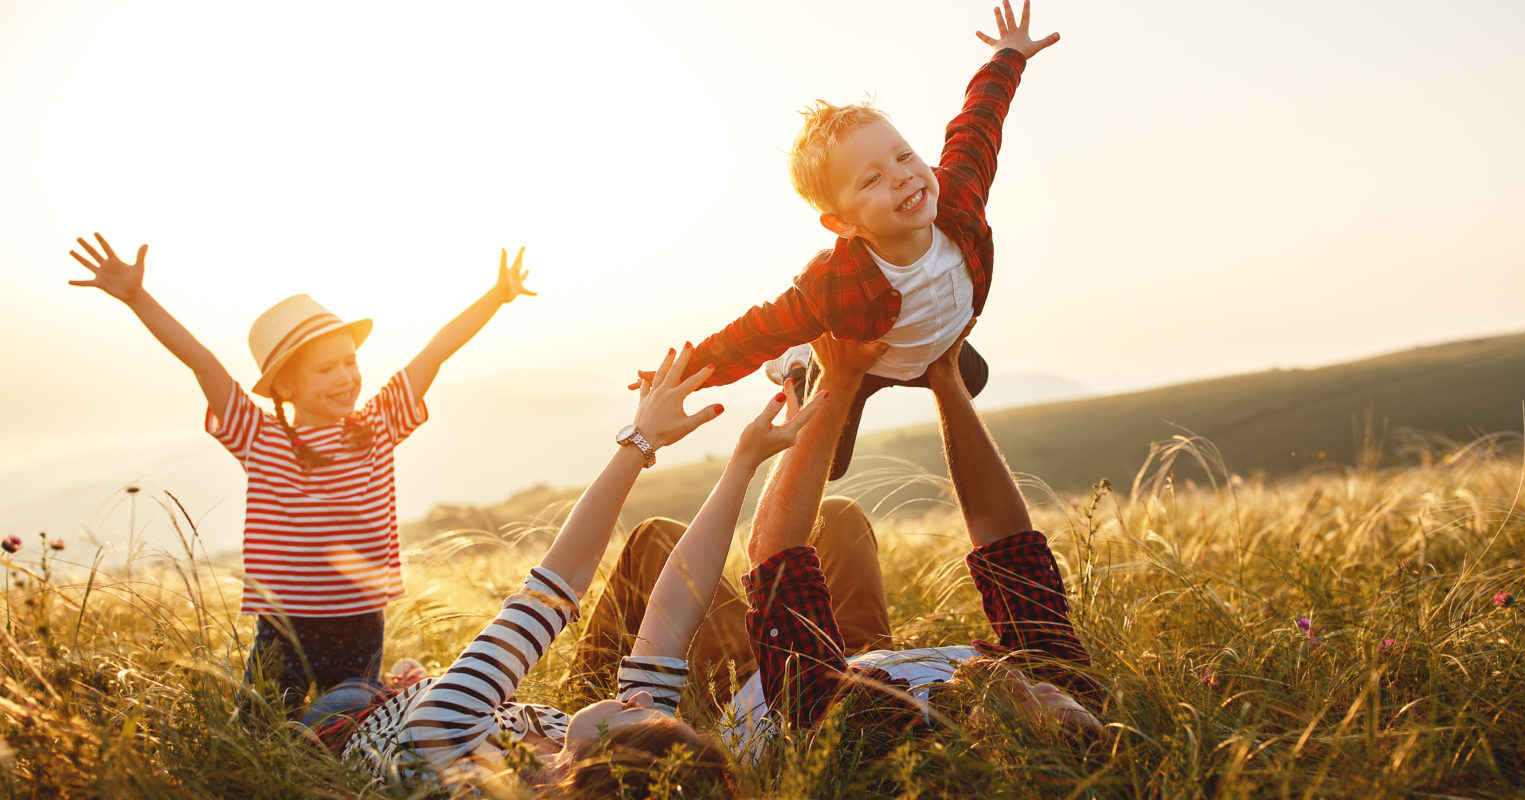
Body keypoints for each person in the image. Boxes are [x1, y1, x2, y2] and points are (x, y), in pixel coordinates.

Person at [317, 346, 823, 796]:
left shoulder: (442, 745)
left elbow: (556, 585)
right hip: (428, 690)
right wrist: (744, 462)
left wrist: (641, 440)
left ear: (594, 767)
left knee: (336, 687)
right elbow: (673, 611)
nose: (643, 698)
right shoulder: (591, 756)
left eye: (635, 712)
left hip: (355, 710)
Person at [67, 233, 534, 711]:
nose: (346, 377)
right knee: (264, 723)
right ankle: (392, 688)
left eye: (350, 362)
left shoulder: (377, 424)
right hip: (283, 623)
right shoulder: (260, 437)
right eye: (325, 368)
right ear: (285, 385)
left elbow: (434, 353)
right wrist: (138, 298)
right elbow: (202, 363)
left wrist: (496, 296)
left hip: (360, 619)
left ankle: (390, 690)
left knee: (347, 722)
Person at [634, 0, 1061, 480]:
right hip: (868, 358)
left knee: (974, 381)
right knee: (828, 464)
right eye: (871, 179)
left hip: (936, 340)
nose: (902, 177)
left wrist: (1008, 55)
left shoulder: (958, 196)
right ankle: (799, 362)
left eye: (903, 156)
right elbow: (756, 332)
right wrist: (681, 379)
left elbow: (978, 125)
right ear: (842, 224)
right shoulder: (833, 287)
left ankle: (929, 353)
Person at [735, 328, 1104, 747]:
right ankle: (825, 375)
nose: (1049, 688)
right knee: (839, 516)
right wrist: (945, 376)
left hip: (752, 685)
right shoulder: (1065, 688)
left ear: (1004, 746)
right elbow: (1008, 547)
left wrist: (836, 381)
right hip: (867, 660)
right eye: (1085, 713)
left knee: (660, 542)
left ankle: (810, 378)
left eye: (1037, 702)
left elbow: (771, 554)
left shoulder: (888, 743)